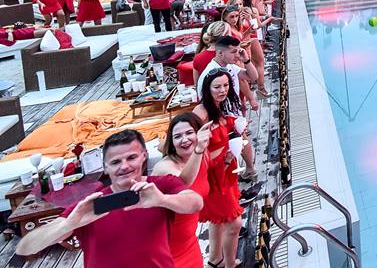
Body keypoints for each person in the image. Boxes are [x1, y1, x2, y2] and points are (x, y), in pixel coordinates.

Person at [16, 129, 203, 267]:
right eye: (115, 162)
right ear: (105, 167)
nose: (124, 166)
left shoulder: (159, 187)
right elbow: (25, 248)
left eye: (131, 157)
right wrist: (68, 224)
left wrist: (162, 200)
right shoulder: (90, 205)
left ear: (144, 156)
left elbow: (196, 202)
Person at [193, 70, 245, 268]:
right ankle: (230, 265)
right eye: (217, 87)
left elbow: (221, 129)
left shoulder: (217, 106)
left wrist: (234, 127)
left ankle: (215, 259)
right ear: (207, 89)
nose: (223, 90)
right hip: (213, 175)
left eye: (226, 85)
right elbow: (196, 149)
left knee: (218, 219)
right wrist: (223, 158)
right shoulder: (201, 113)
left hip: (225, 169)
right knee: (234, 224)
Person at [154, 114, 212, 268]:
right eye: (177, 136)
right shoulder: (164, 167)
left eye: (189, 133)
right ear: (172, 142)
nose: (184, 139)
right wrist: (198, 150)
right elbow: (183, 182)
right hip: (166, 250)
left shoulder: (201, 156)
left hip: (190, 243)